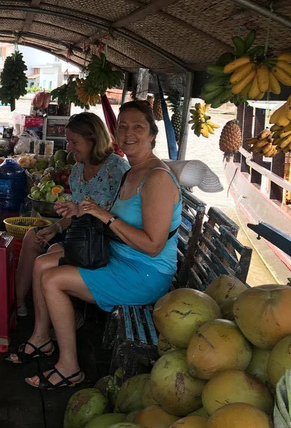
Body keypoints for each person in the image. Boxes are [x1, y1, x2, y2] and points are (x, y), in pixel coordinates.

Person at [21, 100, 182, 389]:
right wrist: (82, 212)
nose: (128, 133)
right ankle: (43, 339)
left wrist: (104, 216)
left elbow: (153, 246)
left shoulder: (157, 178)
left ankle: (69, 367)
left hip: (145, 273)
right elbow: (113, 221)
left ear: (152, 135)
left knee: (52, 279)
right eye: (122, 127)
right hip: (120, 257)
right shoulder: (133, 171)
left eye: (137, 127)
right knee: (46, 263)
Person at [13, 112, 129, 320]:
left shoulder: (117, 168)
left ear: (93, 139)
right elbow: (76, 214)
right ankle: (18, 302)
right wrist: (55, 228)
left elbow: (120, 216)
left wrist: (78, 215)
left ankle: (64, 314)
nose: (69, 148)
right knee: (33, 236)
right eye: (68, 142)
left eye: (74, 142)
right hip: (79, 234)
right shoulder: (77, 171)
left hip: (100, 242)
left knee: (50, 256)